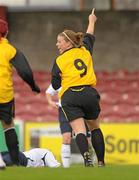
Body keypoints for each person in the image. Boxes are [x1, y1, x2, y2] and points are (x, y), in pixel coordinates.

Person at [51, 9, 105, 167]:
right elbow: (89, 34)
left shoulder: (59, 60)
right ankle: (101, 162)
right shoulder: (85, 50)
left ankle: (87, 159)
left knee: (79, 131)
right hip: (88, 93)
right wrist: (92, 20)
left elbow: (55, 85)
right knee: (95, 128)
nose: (57, 44)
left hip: (70, 96)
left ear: (68, 42)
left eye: (59, 41)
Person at [0, 19, 40, 166]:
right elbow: (24, 71)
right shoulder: (10, 50)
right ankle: (16, 162)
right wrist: (33, 86)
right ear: (6, 33)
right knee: (8, 126)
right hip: (4, 95)